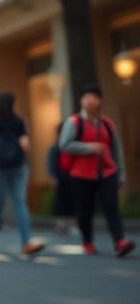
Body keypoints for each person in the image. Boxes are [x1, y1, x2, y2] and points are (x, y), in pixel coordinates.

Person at [59, 84, 134, 257]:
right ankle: (87, 241)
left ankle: (119, 241)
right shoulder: (73, 122)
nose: (90, 100)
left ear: (100, 100)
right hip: (81, 174)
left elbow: (117, 149)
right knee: (85, 209)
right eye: (86, 96)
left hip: (107, 171)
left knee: (111, 205)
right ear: (81, 101)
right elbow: (64, 144)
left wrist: (120, 172)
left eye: (94, 96)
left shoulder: (107, 123)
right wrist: (89, 148)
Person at [0, 92, 45, 255]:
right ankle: (26, 242)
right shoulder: (18, 121)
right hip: (17, 167)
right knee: (20, 203)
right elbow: (25, 144)